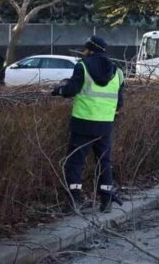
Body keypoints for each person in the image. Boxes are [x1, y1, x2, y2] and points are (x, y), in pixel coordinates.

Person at [51, 36, 124, 213]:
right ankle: (106, 199)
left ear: (90, 50)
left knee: (75, 162)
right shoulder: (118, 72)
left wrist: (58, 90)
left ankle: (74, 200)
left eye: (85, 49)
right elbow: (119, 103)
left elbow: (71, 91)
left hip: (83, 123)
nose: (83, 52)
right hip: (105, 125)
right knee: (104, 162)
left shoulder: (82, 66)